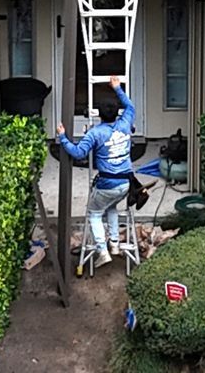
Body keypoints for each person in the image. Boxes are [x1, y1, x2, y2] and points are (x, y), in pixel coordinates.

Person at [57, 75, 135, 269]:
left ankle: (102, 250)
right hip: (126, 183)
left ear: (98, 113)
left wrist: (62, 138)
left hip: (107, 184)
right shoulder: (125, 123)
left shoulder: (95, 133)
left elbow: (78, 152)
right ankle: (115, 244)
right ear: (117, 112)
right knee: (111, 207)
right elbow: (130, 106)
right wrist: (117, 88)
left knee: (94, 213)